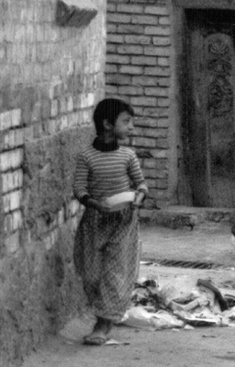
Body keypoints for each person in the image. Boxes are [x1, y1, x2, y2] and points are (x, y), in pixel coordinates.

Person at [73, 98, 148, 346]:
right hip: (95, 221)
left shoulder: (127, 155)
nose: (131, 127)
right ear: (107, 124)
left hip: (123, 221)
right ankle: (102, 316)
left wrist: (139, 197)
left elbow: (141, 184)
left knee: (115, 273)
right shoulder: (87, 157)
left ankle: (103, 325)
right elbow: (79, 189)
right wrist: (96, 204)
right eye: (126, 121)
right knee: (91, 274)